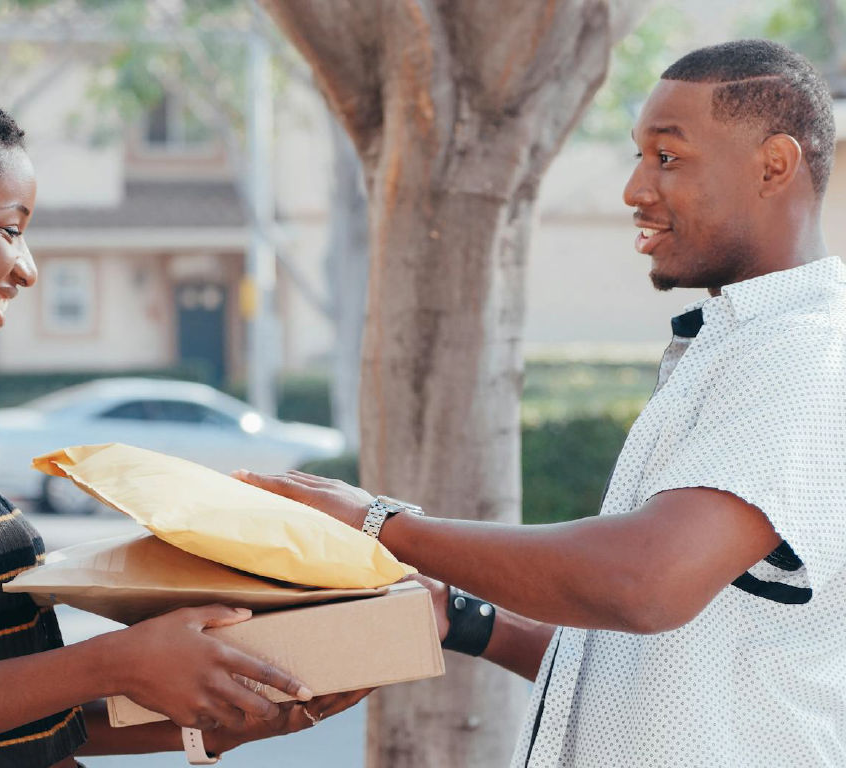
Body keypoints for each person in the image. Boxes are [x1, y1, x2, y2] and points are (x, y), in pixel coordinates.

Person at [234, 39, 846, 768]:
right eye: (638, 156)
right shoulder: (737, 346)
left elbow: (645, 584)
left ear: (774, 166)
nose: (633, 189)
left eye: (668, 158)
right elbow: (644, 666)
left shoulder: (807, 352)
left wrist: (378, 523)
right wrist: (459, 617)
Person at [0, 75, 366, 768]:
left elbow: (2, 710)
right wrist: (115, 662)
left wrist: (222, 712)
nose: (28, 270)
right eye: (10, 230)